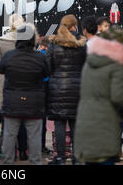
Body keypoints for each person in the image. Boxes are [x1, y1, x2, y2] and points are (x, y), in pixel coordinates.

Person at [74, 26, 123, 165]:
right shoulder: (115, 66)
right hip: (105, 125)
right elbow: (117, 96)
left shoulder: (88, 64)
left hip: (85, 123)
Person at [0, 24, 50, 165]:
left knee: (9, 135)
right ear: (33, 40)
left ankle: (7, 162)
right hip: (34, 103)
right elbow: (47, 72)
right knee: (34, 137)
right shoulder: (40, 58)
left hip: (12, 102)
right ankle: (36, 162)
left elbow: (0, 69)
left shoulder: (9, 56)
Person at [46, 15, 87, 165]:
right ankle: (76, 159)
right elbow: (86, 65)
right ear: (74, 26)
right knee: (76, 124)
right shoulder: (81, 44)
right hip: (77, 87)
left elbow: (48, 66)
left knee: (60, 124)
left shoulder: (54, 43)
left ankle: (60, 158)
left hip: (57, 88)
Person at [0, 14, 25, 158]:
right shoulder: (28, 41)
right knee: (23, 118)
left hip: (4, 82)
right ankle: (22, 150)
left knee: (7, 119)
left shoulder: (1, 42)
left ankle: (8, 151)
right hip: (23, 82)